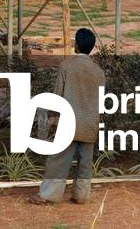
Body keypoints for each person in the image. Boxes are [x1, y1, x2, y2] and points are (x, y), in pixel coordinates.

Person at [29, 28, 105, 206]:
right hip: (89, 123)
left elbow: (57, 96)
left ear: (75, 46)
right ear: (92, 48)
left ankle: (49, 194)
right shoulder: (99, 72)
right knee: (85, 162)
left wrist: (52, 119)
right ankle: (81, 195)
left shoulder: (66, 66)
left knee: (58, 160)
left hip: (69, 122)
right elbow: (100, 101)